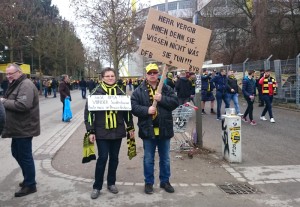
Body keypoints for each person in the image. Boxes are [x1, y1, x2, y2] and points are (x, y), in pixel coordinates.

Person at [84, 67, 135, 199]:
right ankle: (97, 186)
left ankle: (111, 183)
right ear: (102, 78)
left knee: (114, 158)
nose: (111, 78)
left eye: (112, 76)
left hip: (117, 130)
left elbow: (127, 113)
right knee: (102, 158)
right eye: (108, 76)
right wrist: (90, 131)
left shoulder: (121, 92)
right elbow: (89, 113)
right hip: (101, 131)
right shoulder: (96, 92)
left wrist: (130, 128)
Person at [131, 63, 179, 194]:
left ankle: (165, 181)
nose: (152, 75)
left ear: (158, 74)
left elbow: (175, 102)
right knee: (148, 158)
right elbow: (134, 107)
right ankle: (149, 182)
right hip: (148, 130)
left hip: (164, 129)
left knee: (165, 158)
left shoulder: (166, 88)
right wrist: (146, 110)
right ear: (146, 75)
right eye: (149, 73)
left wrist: (162, 98)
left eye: (154, 72)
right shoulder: (138, 91)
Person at [0, 63, 40, 197]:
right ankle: (28, 178)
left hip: (24, 127)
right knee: (16, 153)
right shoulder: (17, 83)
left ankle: (30, 184)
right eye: (7, 73)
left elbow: (23, 105)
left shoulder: (26, 84)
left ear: (19, 72)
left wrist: (3, 102)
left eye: (10, 73)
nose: (8, 76)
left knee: (24, 155)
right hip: (18, 127)